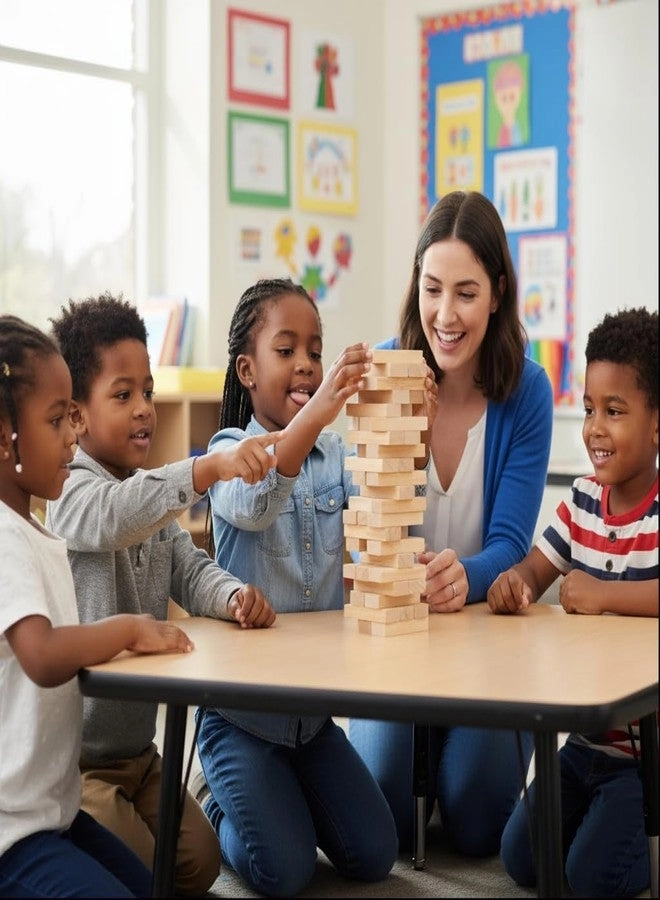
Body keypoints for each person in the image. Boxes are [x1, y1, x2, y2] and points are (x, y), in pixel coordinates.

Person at [46, 293, 281, 897]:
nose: (145, 410)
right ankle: (63, 838)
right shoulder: (73, 492)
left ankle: (189, 799)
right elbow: (114, 516)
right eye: (122, 396)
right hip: (82, 763)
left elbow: (189, 568)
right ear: (75, 416)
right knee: (141, 874)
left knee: (197, 868)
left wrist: (232, 597)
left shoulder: (148, 495)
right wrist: (206, 468)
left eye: (147, 392)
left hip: (141, 752)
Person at [349, 189, 554, 857]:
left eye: (466, 293)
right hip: (399, 645)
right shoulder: (388, 369)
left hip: (483, 648)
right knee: (383, 812)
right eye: (432, 288)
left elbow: (511, 547)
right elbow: (371, 525)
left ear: (497, 292)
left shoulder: (527, 390)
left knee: (473, 826)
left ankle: (448, 760)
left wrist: (461, 577)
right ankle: (418, 752)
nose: (445, 314)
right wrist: (406, 430)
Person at [196, 277, 412, 898]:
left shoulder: (336, 454)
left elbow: (381, 503)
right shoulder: (228, 452)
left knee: (375, 853)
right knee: (282, 871)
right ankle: (215, 804)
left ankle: (285, 797)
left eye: (314, 350)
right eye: (286, 350)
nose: (306, 365)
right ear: (246, 370)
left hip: (312, 724)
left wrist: (401, 409)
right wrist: (320, 406)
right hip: (242, 720)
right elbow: (261, 500)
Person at [0, 314, 197, 898]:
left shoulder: (32, 530)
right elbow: (39, 654)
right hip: (14, 836)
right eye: (58, 419)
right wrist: (128, 628)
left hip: (51, 814)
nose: (72, 435)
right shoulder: (5, 538)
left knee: (151, 884)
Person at [488, 306, 658, 897]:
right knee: (520, 859)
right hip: (584, 747)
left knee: (589, 879)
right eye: (589, 409)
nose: (594, 428)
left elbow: (600, 596)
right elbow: (538, 568)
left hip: (645, 760)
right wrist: (519, 585)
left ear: (658, 425)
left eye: (615, 412)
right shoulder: (582, 501)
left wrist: (605, 595)